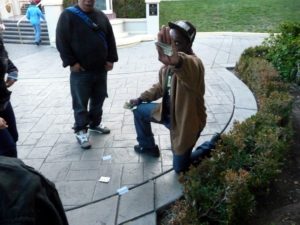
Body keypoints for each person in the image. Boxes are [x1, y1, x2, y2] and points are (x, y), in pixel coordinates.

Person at [129, 21, 207, 173]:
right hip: (166, 113)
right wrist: (140, 98)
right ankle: (147, 146)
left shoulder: (193, 65)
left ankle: (211, 145)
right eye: (170, 42)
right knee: (138, 110)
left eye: (177, 42)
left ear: (188, 44)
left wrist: (178, 62)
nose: (172, 47)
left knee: (180, 169)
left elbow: (187, 67)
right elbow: (160, 87)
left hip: (185, 123)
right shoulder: (167, 67)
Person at [56, 0, 118, 149]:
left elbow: (110, 38)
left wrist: (111, 59)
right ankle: (81, 130)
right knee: (80, 104)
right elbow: (61, 41)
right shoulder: (67, 16)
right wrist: (71, 62)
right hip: (81, 72)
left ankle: (95, 123)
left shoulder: (101, 15)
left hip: (100, 69)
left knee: (99, 99)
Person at [0, 38, 19, 157]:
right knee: (7, 147)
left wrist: (13, 73)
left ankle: (11, 171)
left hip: (3, 101)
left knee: (13, 137)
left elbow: (7, 62)